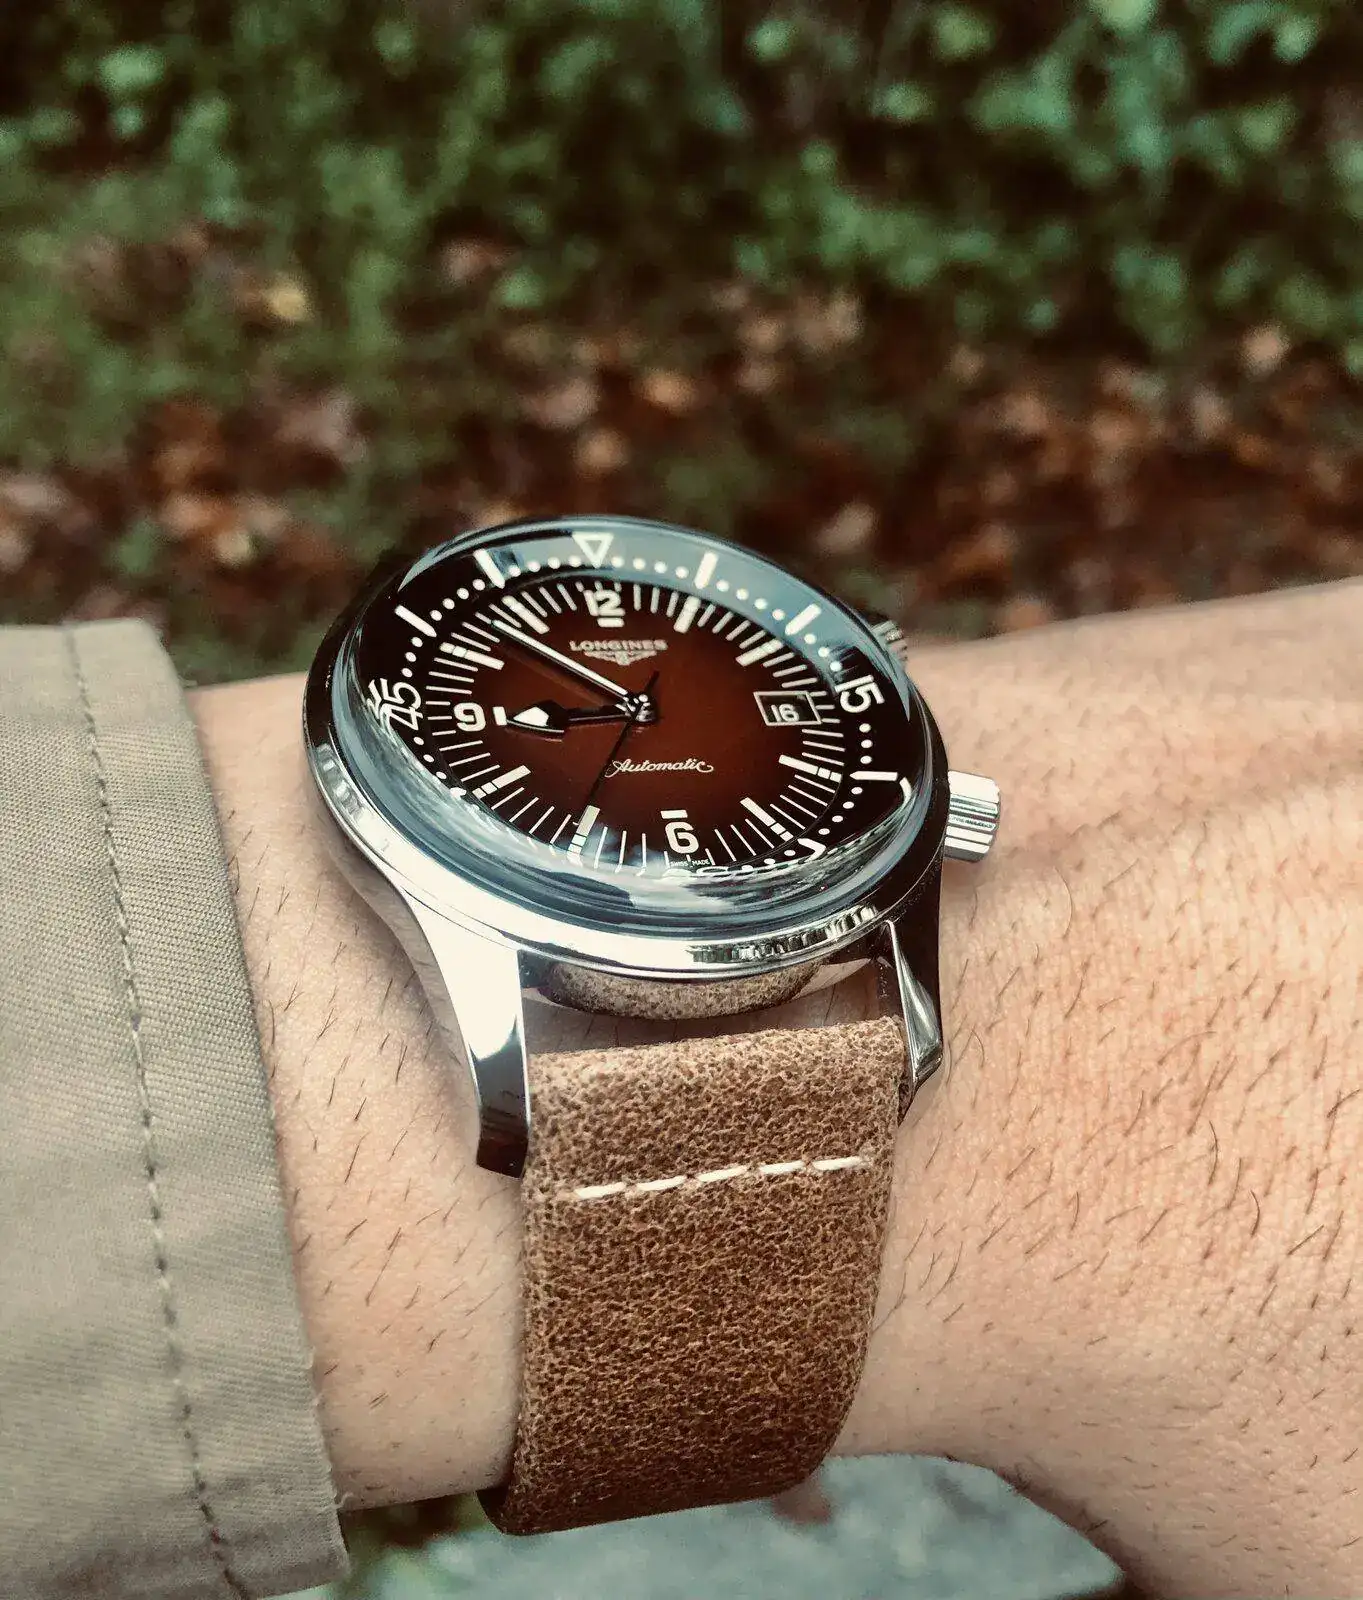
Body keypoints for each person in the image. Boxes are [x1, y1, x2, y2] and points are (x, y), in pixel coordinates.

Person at [2, 576, 1360, 1600]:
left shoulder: (865, 812)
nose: (638, 709)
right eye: (609, 703)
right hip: (514, 928)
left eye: (648, 698)